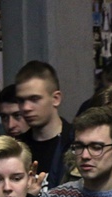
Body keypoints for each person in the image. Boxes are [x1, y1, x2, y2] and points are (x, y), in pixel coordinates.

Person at [15, 60, 74, 190]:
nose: (26, 107)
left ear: (56, 99)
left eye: (34, 99)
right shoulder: (16, 148)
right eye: (21, 100)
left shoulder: (76, 143)